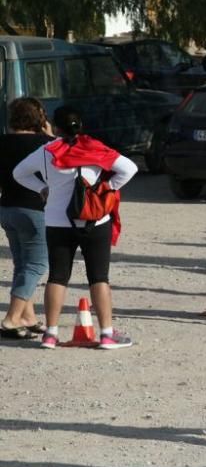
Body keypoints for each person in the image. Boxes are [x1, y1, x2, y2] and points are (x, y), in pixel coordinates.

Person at [13, 106, 137, 349]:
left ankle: (50, 334)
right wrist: (109, 187)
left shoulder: (46, 151)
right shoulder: (96, 148)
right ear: (80, 124)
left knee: (58, 276)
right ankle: (107, 334)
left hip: (57, 220)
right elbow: (129, 168)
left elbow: (19, 173)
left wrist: (41, 188)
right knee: (99, 277)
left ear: (55, 127)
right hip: (96, 218)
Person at [1, 98, 52, 339]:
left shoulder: (2, 142)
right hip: (34, 210)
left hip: (7, 209)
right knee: (37, 264)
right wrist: (51, 137)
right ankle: (11, 318)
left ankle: (27, 316)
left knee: (22, 264)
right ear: (39, 118)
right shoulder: (45, 144)